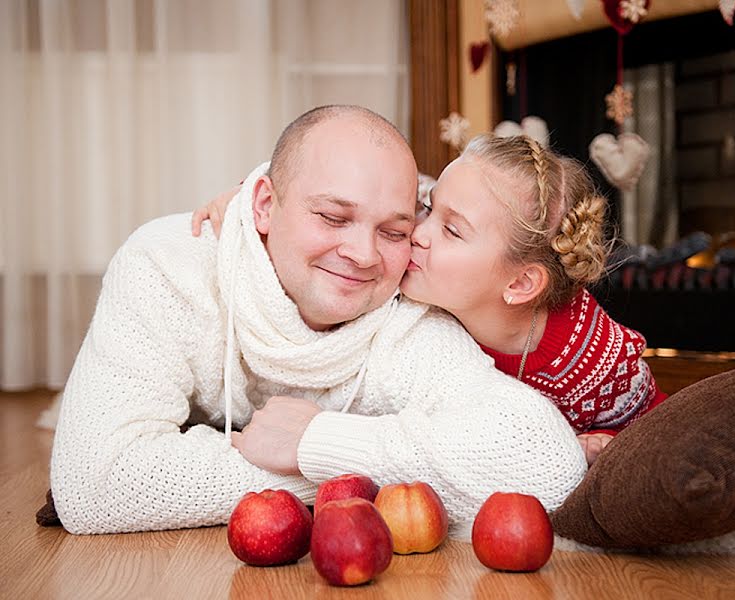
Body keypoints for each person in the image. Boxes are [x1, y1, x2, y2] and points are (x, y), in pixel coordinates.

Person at [50, 105, 586, 535]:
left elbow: (545, 464)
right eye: (333, 217)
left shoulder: (410, 302)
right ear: (262, 204)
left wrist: (317, 443)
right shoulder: (168, 264)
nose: (363, 254)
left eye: (395, 230)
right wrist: (354, 471)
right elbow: (93, 485)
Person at [194, 134, 667, 466]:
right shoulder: (417, 276)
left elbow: (658, 437)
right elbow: (331, 178)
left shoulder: (596, 361)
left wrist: (599, 448)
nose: (415, 232)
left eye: (452, 229)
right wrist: (244, 201)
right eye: (429, 206)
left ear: (520, 285)